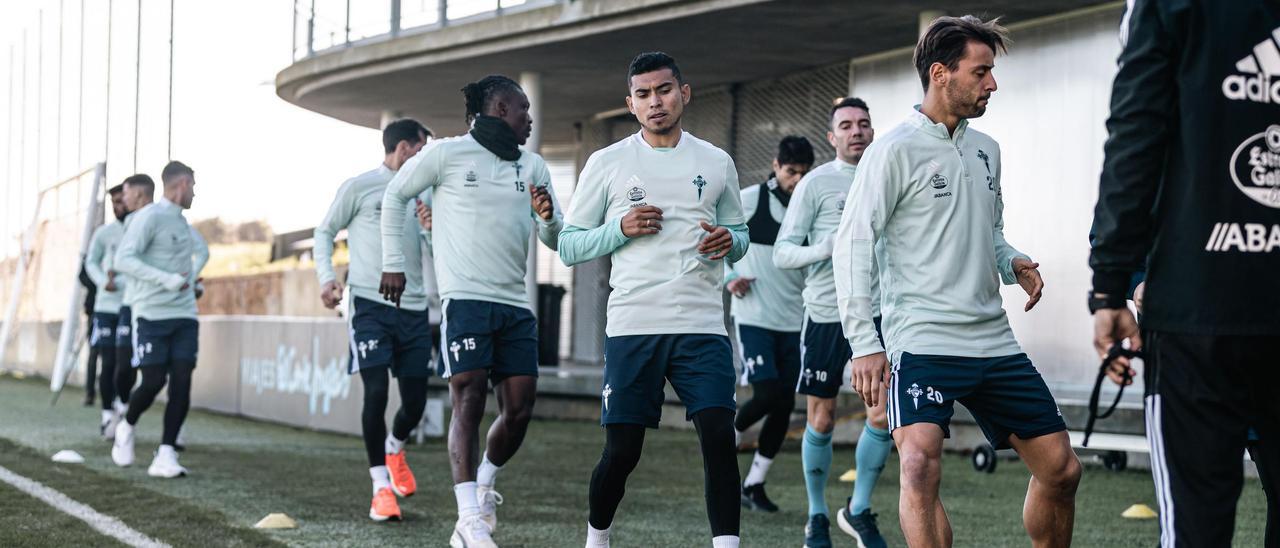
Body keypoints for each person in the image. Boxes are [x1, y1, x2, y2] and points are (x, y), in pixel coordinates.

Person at [834, 15, 1080, 547]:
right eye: (981, 71)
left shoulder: (987, 148)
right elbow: (852, 244)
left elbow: (990, 232)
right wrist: (864, 343)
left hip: (993, 340)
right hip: (921, 339)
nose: (993, 83)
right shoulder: (892, 150)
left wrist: (1012, 262)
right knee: (918, 464)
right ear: (940, 73)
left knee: (1061, 470)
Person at [1089, 1, 1279, 545]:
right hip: (1199, 305)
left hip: (1199, 310)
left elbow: (1135, 135)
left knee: (1195, 526)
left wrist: (1108, 288)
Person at [559, 51, 748, 548]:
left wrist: (728, 240)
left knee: (719, 437)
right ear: (631, 104)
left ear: (684, 93)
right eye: (643, 94)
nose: (655, 102)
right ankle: (596, 539)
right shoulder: (607, 163)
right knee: (623, 451)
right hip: (634, 325)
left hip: (701, 325)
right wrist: (619, 229)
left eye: (664, 90)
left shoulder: (716, 161)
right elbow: (569, 245)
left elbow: (741, 234)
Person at [380, 75, 562, 548]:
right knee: (469, 396)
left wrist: (547, 218)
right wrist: (393, 263)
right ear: (500, 109)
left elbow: (555, 237)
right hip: (464, 300)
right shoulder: (446, 154)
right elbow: (396, 194)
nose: (530, 119)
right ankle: (468, 521)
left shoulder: (534, 166)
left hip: (515, 304)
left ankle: (484, 483)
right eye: (523, 110)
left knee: (519, 410)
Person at [774, 96, 891, 548]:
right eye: (846, 125)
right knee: (821, 419)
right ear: (832, 137)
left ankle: (858, 510)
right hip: (826, 314)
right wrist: (825, 248)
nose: (856, 131)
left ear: (872, 131)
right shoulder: (816, 183)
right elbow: (784, 253)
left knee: (881, 413)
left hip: (880, 314)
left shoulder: (888, 174)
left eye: (863, 123)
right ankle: (816, 516)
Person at [314, 118, 434, 522]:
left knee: (415, 402)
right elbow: (324, 232)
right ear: (403, 149)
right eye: (421, 150)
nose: (424, 159)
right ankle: (380, 487)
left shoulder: (424, 192)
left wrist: (430, 229)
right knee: (377, 391)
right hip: (369, 305)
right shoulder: (360, 186)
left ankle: (395, 448)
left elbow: (437, 247)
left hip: (414, 309)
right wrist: (327, 278)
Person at [728, 135, 811, 514]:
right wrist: (729, 277)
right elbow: (711, 239)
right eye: (791, 171)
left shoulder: (810, 206)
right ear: (776, 166)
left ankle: (754, 483)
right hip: (754, 318)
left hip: (794, 321)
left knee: (785, 404)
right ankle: (725, 438)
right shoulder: (748, 200)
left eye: (803, 172)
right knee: (766, 395)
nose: (797, 179)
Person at [110, 161, 209, 478]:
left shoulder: (182, 222)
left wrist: (191, 280)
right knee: (153, 382)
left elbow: (203, 252)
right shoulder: (149, 217)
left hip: (185, 315)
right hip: (151, 314)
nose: (194, 193)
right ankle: (127, 425)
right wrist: (167, 280)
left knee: (182, 380)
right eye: (193, 186)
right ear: (182, 184)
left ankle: (166, 453)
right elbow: (123, 260)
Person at [84, 184, 129, 436]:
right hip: (105, 308)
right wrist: (103, 282)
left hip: (131, 305)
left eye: (121, 201)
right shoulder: (103, 233)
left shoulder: (140, 229)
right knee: (108, 361)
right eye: (114, 202)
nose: (117, 207)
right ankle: (107, 415)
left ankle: (123, 404)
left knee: (125, 364)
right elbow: (90, 263)